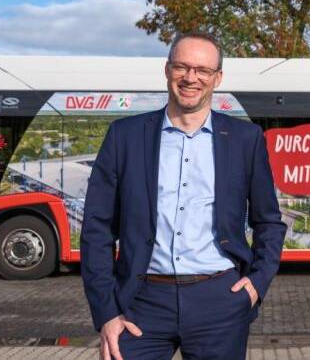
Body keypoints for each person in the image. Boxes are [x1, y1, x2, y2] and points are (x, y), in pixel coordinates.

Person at [82, 32, 286, 360]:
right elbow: (97, 228)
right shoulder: (125, 136)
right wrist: (106, 312)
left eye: (203, 70)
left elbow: (269, 222)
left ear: (217, 78)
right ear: (167, 70)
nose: (191, 78)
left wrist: (256, 284)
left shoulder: (245, 139)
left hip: (220, 300)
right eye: (182, 67)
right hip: (140, 303)